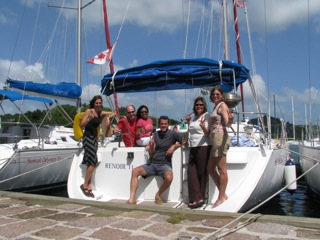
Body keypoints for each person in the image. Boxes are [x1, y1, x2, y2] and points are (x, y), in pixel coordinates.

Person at [127, 115, 182, 205]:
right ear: (159, 125)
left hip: (165, 164)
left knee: (169, 177)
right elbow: (152, 154)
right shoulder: (156, 134)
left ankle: (158, 195)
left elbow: (184, 141)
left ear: (168, 124)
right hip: (152, 163)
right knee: (134, 171)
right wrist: (152, 146)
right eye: (161, 124)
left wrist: (174, 146)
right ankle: (131, 199)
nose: (163, 125)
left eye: (165, 124)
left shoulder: (173, 134)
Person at [80, 95, 116, 198]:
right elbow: (82, 125)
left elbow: (114, 113)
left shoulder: (100, 113)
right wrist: (88, 119)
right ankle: (84, 185)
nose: (98, 105)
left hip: (95, 139)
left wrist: (108, 117)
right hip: (87, 138)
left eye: (100, 103)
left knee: (91, 161)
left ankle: (89, 185)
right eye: (97, 103)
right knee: (93, 162)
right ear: (93, 103)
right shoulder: (89, 111)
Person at [185, 97, 211, 209]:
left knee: (201, 173)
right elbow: (192, 130)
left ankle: (199, 198)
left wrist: (203, 127)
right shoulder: (195, 118)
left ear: (204, 106)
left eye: (201, 105)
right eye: (197, 105)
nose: (199, 106)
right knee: (191, 172)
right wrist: (188, 122)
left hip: (203, 146)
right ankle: (196, 197)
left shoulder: (207, 116)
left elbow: (208, 133)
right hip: (193, 146)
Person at [207, 85, 231, 208]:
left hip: (220, 138)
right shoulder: (216, 106)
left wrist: (229, 121)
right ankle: (223, 194)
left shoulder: (222, 106)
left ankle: (221, 197)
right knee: (210, 168)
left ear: (222, 95)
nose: (215, 96)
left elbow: (226, 121)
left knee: (222, 169)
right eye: (213, 94)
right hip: (215, 138)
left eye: (217, 94)